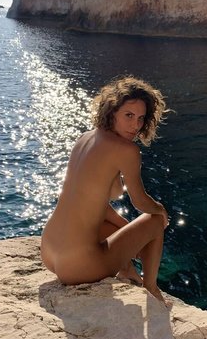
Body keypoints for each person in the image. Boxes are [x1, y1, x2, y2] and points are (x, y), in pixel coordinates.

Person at [40, 75, 171, 305]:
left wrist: (130, 235)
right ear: (112, 112)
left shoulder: (85, 138)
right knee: (155, 220)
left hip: (50, 252)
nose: (136, 125)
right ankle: (151, 288)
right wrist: (161, 211)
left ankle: (127, 270)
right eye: (128, 115)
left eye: (141, 118)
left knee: (111, 224)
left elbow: (92, 203)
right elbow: (141, 202)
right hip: (80, 267)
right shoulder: (126, 150)